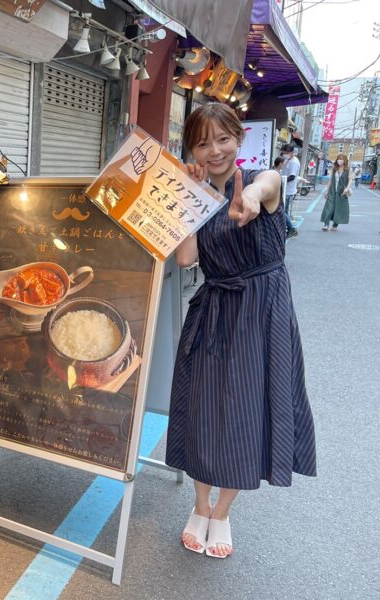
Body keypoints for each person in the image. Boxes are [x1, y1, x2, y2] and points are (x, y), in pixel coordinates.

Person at [167, 103, 317, 559]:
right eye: (202, 142)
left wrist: (250, 201)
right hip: (214, 309)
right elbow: (186, 259)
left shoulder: (261, 183)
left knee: (245, 413)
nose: (214, 151)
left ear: (239, 138)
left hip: (262, 311)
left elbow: (266, 189)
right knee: (202, 408)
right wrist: (186, 199)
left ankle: (223, 512)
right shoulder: (196, 191)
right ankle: (198, 504)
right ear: (191, 148)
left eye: (223, 139)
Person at [320, 153, 351, 231]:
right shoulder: (334, 168)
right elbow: (330, 180)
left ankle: (335, 225)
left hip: (342, 192)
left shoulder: (348, 170)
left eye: (341, 159)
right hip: (332, 191)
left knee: (339, 208)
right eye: (338, 159)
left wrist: (347, 189)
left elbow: (350, 180)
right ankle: (326, 224)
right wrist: (327, 191)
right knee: (329, 207)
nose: (339, 160)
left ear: (344, 160)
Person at [280, 143, 300, 238]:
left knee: (283, 212)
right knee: (284, 211)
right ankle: (288, 228)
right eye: (283, 153)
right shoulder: (288, 160)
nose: (284, 154)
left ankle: (291, 229)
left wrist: (280, 180)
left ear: (291, 152)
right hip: (285, 190)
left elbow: (292, 176)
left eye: (286, 153)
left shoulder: (294, 162)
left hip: (288, 191)